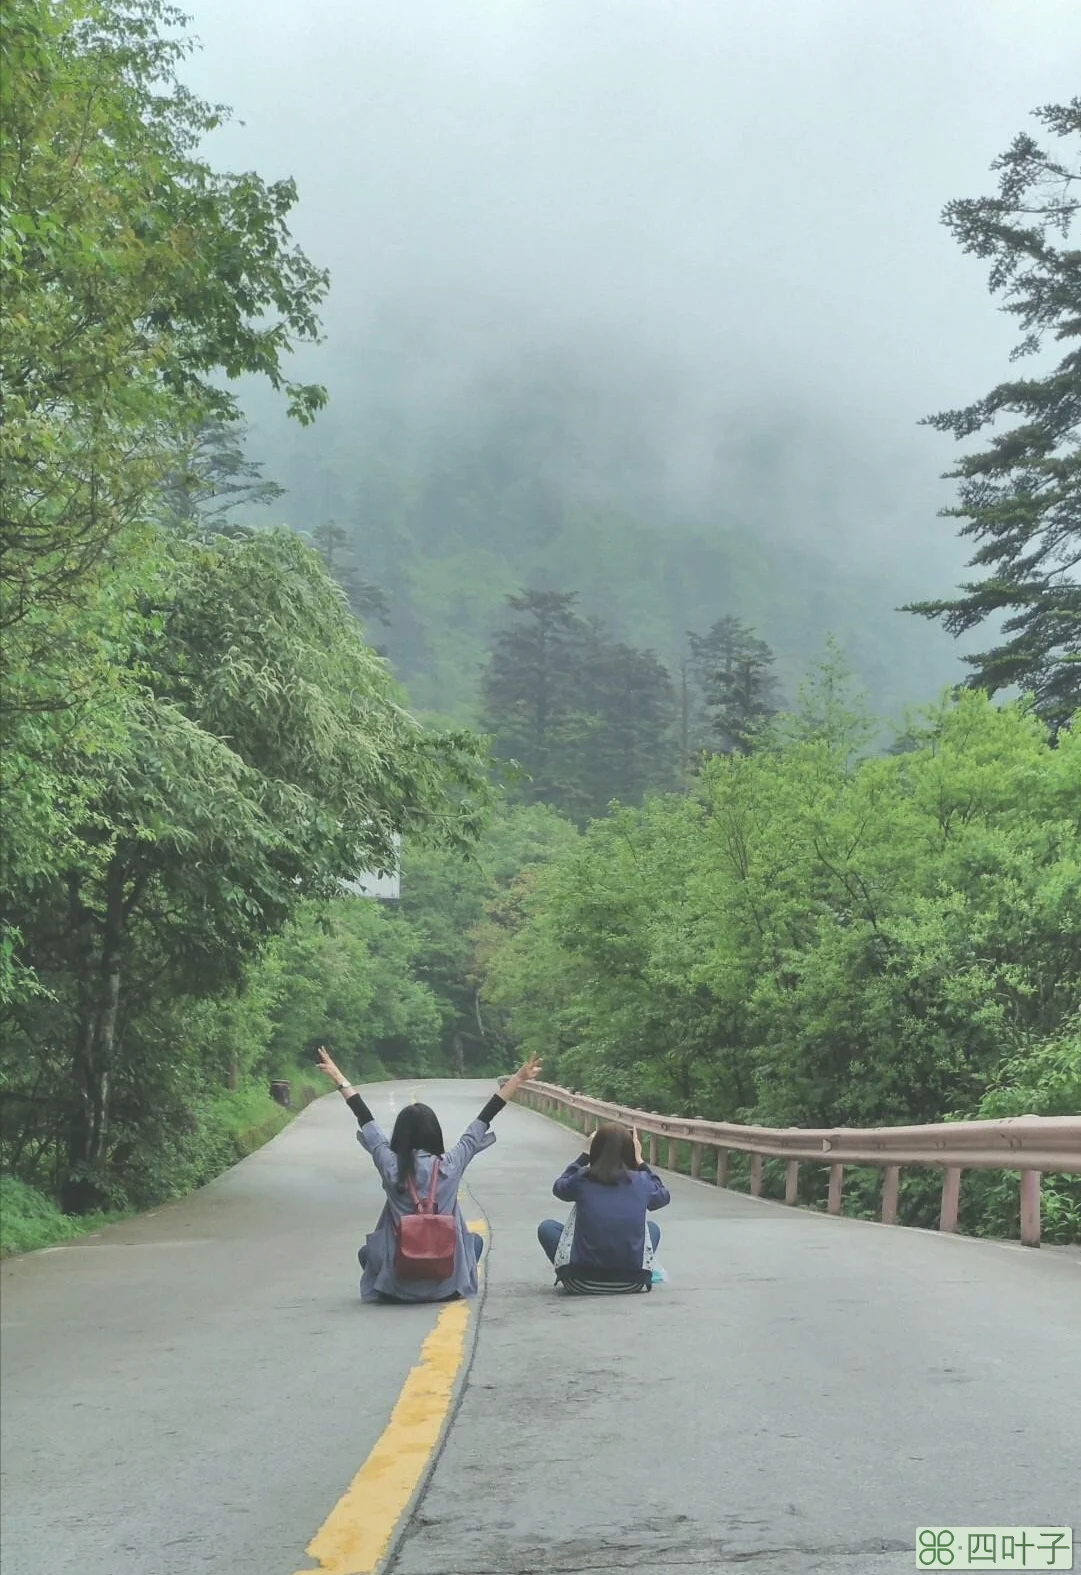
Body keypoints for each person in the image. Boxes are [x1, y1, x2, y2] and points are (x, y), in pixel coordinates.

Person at [314, 1046, 541, 1303]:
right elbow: (484, 1119)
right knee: (473, 1242)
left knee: (366, 1253)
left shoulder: (390, 1165)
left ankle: (394, 1285)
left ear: (399, 1135)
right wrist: (518, 1078)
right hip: (447, 1285)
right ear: (435, 1134)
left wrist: (338, 1076)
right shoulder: (450, 1164)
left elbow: (365, 1118)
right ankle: (445, 1282)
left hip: (398, 1286)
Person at [538, 1123, 670, 1292]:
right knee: (652, 1229)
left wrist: (584, 1156)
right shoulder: (642, 1181)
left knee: (547, 1227)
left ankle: (574, 1271)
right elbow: (663, 1196)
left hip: (578, 1283)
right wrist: (640, 1161)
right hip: (631, 1283)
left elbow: (559, 1188)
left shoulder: (582, 1178)